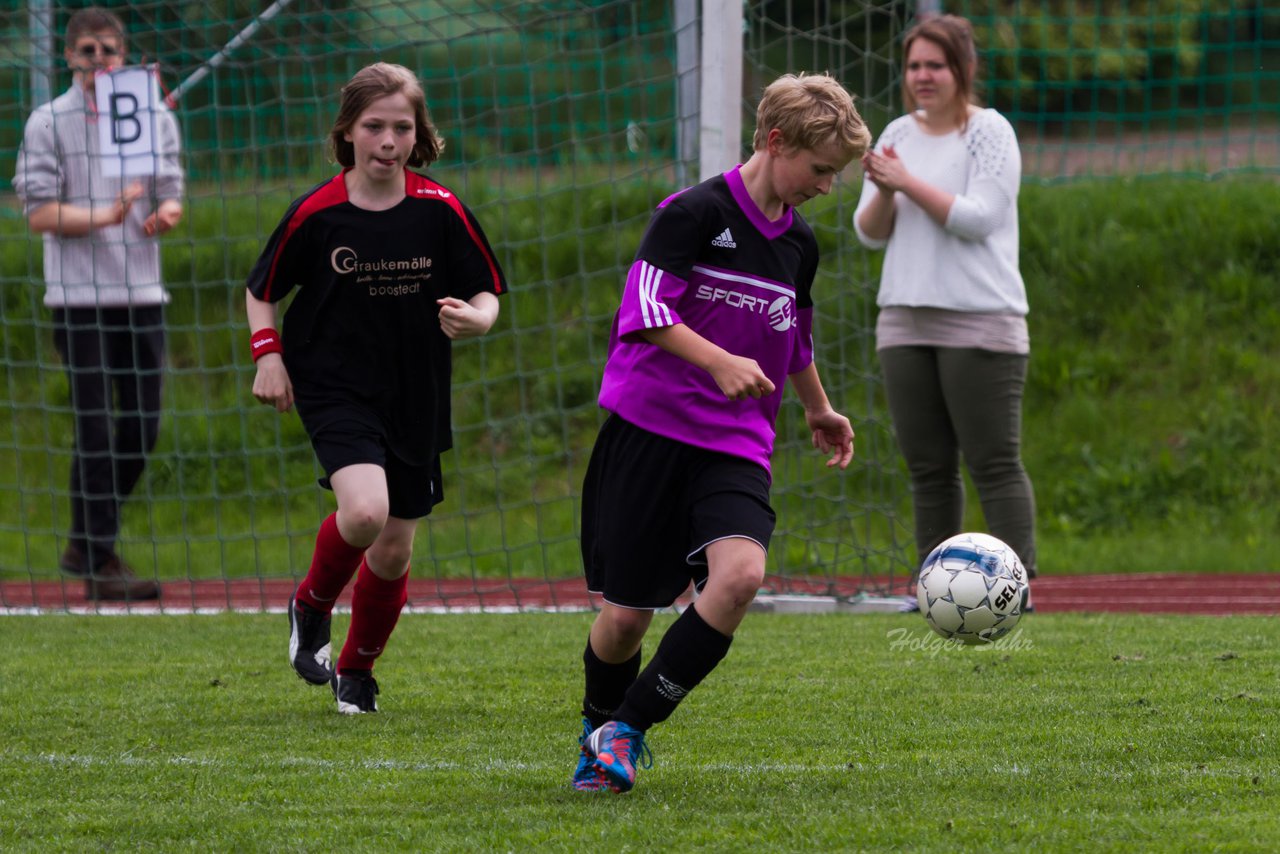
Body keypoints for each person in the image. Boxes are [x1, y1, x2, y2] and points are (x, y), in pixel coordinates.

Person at [571, 73, 870, 793]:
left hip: (735, 444)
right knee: (623, 622)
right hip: (649, 433)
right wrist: (717, 359)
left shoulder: (799, 244)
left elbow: (791, 334)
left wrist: (818, 408)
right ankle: (597, 728)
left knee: (740, 576)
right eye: (821, 169)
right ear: (775, 141)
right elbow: (642, 311)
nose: (829, 187)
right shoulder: (693, 214)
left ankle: (626, 731)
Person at [245, 63, 506, 714]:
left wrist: (478, 319)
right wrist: (267, 355)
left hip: (416, 390)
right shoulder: (318, 212)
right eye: (374, 126)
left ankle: (357, 671)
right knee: (364, 513)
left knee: (393, 549)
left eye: (401, 127)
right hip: (334, 382)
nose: (388, 140)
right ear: (348, 133)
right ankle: (310, 606)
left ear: (418, 135)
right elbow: (261, 290)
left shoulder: (440, 211)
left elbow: (486, 291)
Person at [852, 15, 1038, 582]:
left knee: (994, 464)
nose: (922, 76)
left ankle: (1013, 587)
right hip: (904, 323)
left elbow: (979, 218)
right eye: (913, 66)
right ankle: (934, 587)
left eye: (935, 65)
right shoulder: (897, 135)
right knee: (929, 470)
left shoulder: (988, 131)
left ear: (964, 69)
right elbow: (869, 230)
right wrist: (886, 189)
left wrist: (906, 182)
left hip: (982, 322)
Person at [12, 7, 184, 601]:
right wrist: (103, 218)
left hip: (141, 290)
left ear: (123, 55)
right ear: (68, 57)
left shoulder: (150, 112)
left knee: (142, 424)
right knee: (93, 426)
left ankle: (83, 541)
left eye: (108, 51)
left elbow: (172, 188)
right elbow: (38, 213)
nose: (98, 61)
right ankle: (101, 559)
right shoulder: (48, 121)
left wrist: (165, 213)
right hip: (77, 295)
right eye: (87, 51)